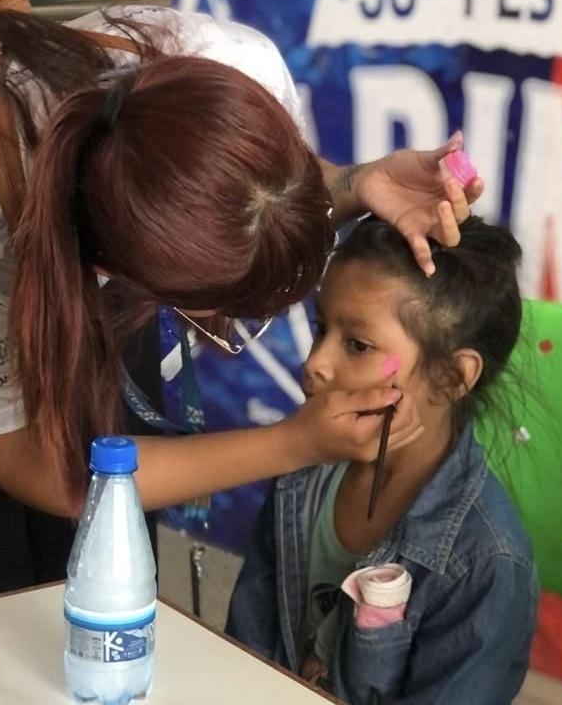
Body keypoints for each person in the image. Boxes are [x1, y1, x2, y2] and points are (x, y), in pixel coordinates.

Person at [0, 2, 482, 625]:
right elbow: (48, 471)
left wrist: (353, 182)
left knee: (102, 578)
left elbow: (261, 200)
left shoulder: (235, 63)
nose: (315, 366)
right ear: (140, 282)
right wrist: (294, 442)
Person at [226, 216, 539, 704]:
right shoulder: (305, 471)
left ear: (453, 377)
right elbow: (246, 650)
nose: (315, 363)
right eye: (321, 329)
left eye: (357, 345)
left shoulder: (485, 563)